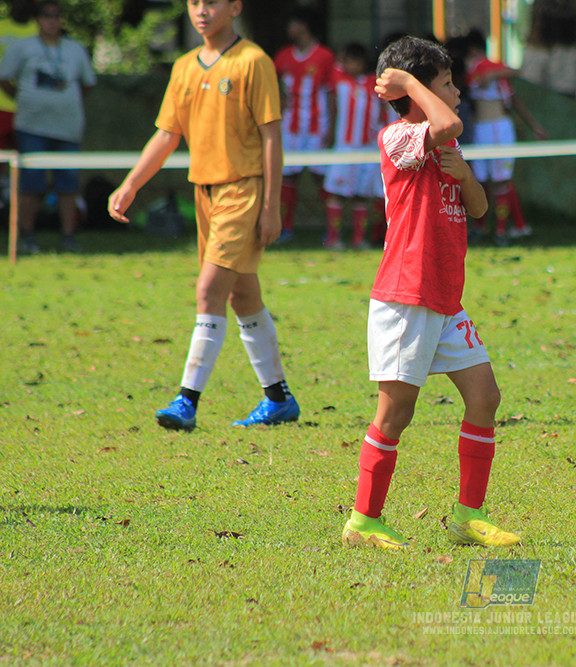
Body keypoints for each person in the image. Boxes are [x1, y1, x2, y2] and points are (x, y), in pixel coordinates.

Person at [341, 35, 519, 550]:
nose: (457, 91)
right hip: (406, 295)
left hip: (444, 297)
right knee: (395, 414)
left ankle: (468, 517)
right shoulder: (398, 136)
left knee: (485, 397)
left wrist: (465, 176)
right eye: (446, 82)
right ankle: (363, 521)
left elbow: (480, 209)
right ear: (414, 91)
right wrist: (413, 84)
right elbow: (446, 122)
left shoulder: (447, 143)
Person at [107, 0, 300, 432]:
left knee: (209, 290)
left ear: (235, 7)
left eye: (211, 2)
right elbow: (167, 133)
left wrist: (271, 207)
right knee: (242, 296)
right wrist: (131, 184)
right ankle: (278, 398)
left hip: (243, 190)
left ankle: (186, 401)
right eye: (194, 2)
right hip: (205, 194)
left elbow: (272, 136)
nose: (201, 10)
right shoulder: (184, 67)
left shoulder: (254, 61)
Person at [0, 0, 96, 254]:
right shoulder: (23, 48)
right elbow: (4, 78)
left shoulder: (75, 50)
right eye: (46, 16)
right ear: (38, 19)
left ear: (62, 20)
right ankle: (27, 235)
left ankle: (68, 237)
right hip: (31, 127)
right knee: (31, 184)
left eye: (56, 16)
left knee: (68, 185)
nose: (51, 20)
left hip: (68, 128)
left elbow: (87, 84)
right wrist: (25, 98)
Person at [465, 28, 547, 246]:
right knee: (481, 180)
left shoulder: (487, 67)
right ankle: (481, 226)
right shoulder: (472, 71)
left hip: (499, 129)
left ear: (473, 50)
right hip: (481, 130)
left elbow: (514, 86)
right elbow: (478, 80)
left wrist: (533, 126)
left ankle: (500, 230)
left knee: (501, 180)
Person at [272, 6, 337, 245]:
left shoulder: (324, 56)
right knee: (288, 179)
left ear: (302, 26)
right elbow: (273, 85)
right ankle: (285, 229)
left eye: (292, 24)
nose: (289, 29)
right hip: (290, 128)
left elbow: (331, 94)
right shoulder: (283, 56)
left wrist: (331, 127)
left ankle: (331, 230)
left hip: (316, 128)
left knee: (322, 179)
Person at [321, 42, 387, 250]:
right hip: (344, 147)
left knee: (362, 194)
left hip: (367, 148)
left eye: (356, 62)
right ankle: (334, 238)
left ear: (363, 64)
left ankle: (359, 239)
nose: (352, 66)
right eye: (348, 61)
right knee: (337, 193)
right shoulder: (338, 80)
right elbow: (333, 71)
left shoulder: (372, 83)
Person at [0, 0, 35, 209]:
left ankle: (19, 210)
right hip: (2, 108)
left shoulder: (39, 29)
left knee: (28, 164)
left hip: (31, 112)